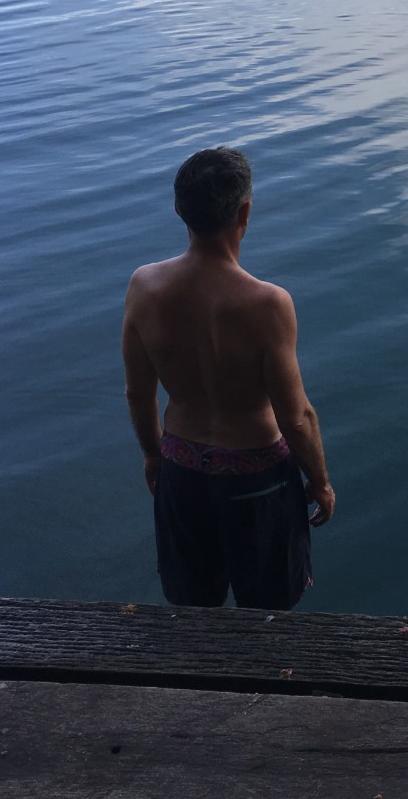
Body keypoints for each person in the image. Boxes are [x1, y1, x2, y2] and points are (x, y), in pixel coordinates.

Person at [121, 146, 335, 609]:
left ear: (179, 210)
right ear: (245, 213)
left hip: (182, 469)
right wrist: (319, 481)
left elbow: (138, 394)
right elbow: (296, 417)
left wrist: (153, 455)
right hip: (259, 479)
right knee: (267, 612)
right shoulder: (268, 303)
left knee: (193, 610)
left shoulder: (144, 287)